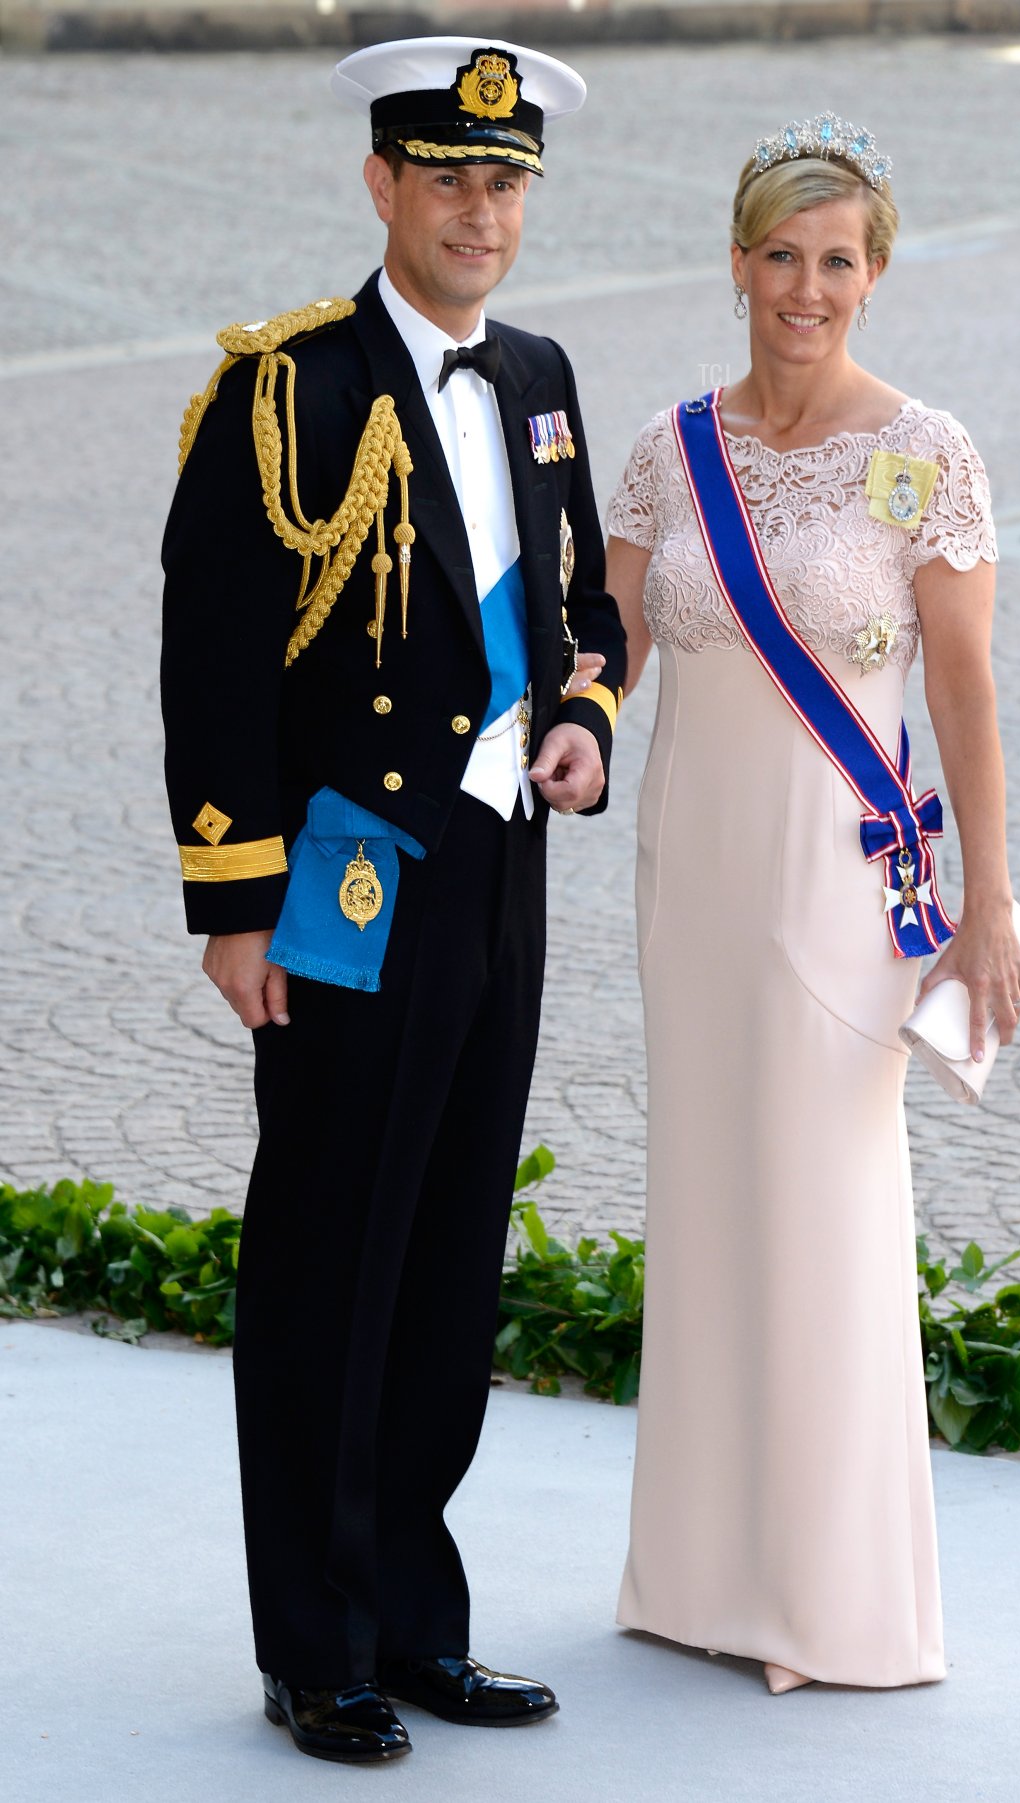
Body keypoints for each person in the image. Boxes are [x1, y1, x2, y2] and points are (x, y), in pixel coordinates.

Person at [160, 37, 625, 1764]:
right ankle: (317, 1644)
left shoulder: (544, 373)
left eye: (506, 183)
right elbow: (209, 659)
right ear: (382, 185)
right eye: (449, 178)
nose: (481, 211)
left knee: (447, 1256)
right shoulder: (287, 390)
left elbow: (585, 608)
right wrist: (232, 898)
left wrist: (580, 718)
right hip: (352, 882)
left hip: (502, 869)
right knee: (329, 1261)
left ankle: (421, 1619)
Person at [605, 113, 1020, 1692]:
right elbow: (608, 656)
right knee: (712, 1207)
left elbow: (968, 694)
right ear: (736, 265)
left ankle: (826, 1605)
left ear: (875, 273)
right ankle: (701, 1577)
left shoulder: (927, 453)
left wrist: (988, 905)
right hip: (694, 886)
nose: (806, 286)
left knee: (827, 1217)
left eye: (835, 260)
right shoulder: (667, 449)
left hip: (840, 894)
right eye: (780, 256)